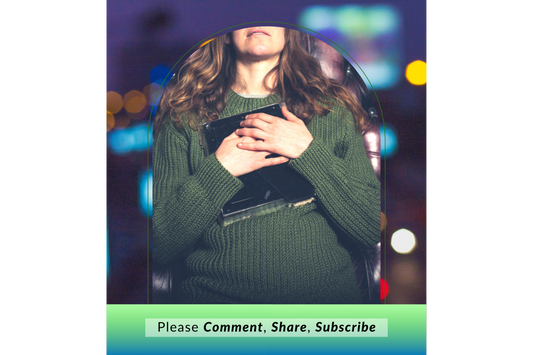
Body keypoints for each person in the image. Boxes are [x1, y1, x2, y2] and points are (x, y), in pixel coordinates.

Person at [152, 26, 381, 304]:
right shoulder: (183, 115)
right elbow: (162, 245)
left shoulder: (332, 109)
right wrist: (219, 170)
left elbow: (368, 228)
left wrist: (307, 152)